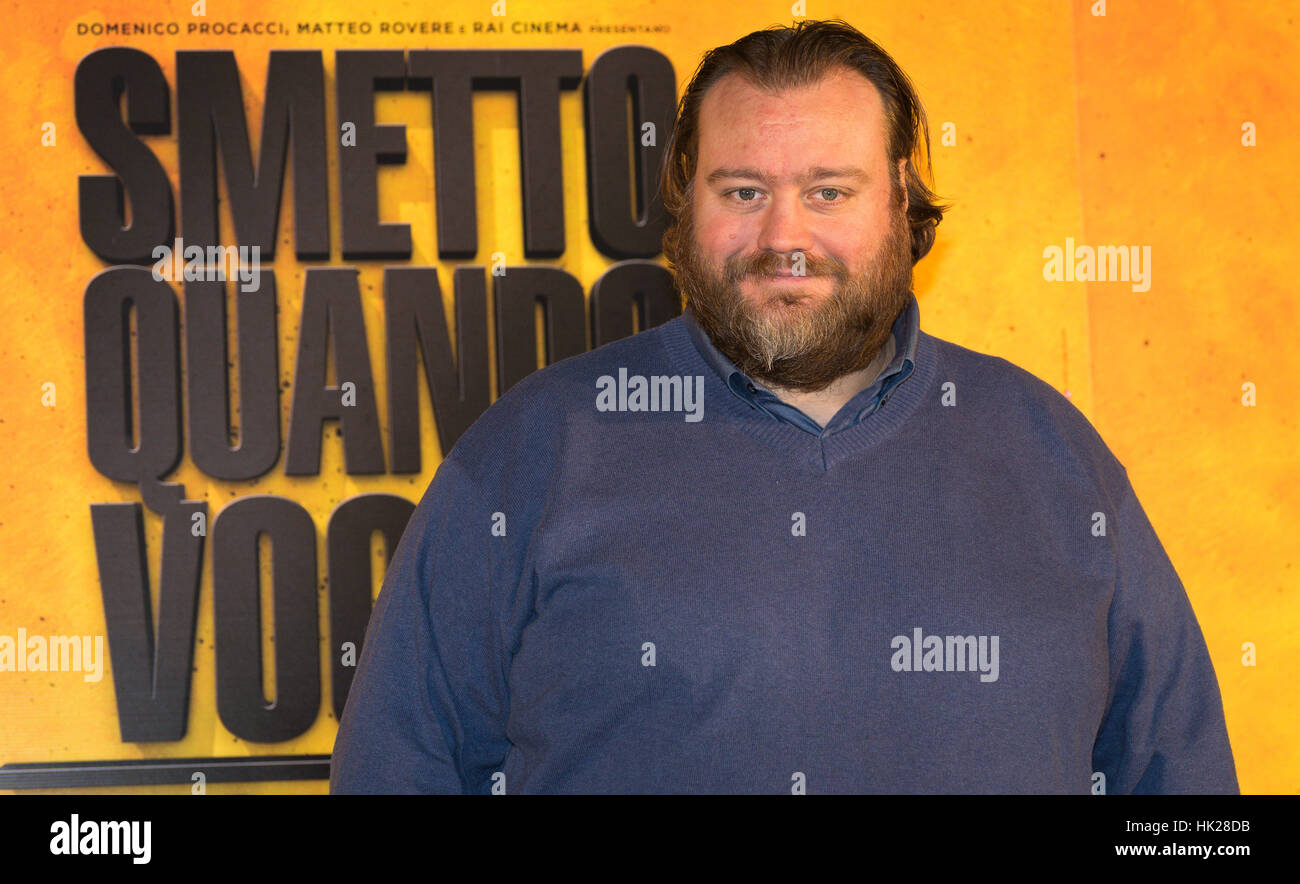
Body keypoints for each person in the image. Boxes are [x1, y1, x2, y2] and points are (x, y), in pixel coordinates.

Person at [330, 19, 1238, 794]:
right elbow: (396, 770)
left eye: (828, 192)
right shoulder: (531, 454)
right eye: (744, 192)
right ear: (685, 208)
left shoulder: (1056, 458)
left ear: (906, 210)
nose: (783, 238)